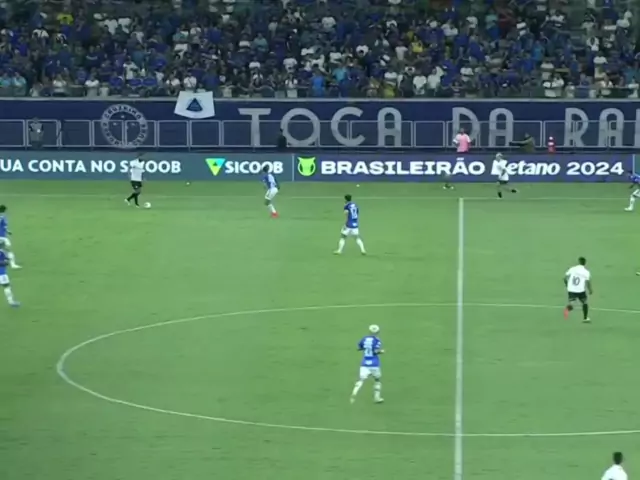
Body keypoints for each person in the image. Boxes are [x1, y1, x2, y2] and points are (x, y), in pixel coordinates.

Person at [350, 324, 384, 404]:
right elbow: (375, 351)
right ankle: (377, 398)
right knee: (377, 380)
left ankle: (354, 393)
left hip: (364, 363)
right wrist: (381, 351)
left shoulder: (364, 339)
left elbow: (359, 347)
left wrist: (364, 349)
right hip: (374, 364)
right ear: (378, 332)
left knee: (361, 380)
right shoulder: (377, 340)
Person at [564, 256, 592, 322]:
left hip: (571, 289)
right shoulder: (586, 272)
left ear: (579, 262)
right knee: (585, 303)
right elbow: (587, 282)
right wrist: (590, 290)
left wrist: (567, 285)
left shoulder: (572, 269)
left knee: (572, 304)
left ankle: (567, 309)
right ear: (585, 263)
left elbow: (565, 278)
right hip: (580, 290)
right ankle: (585, 318)